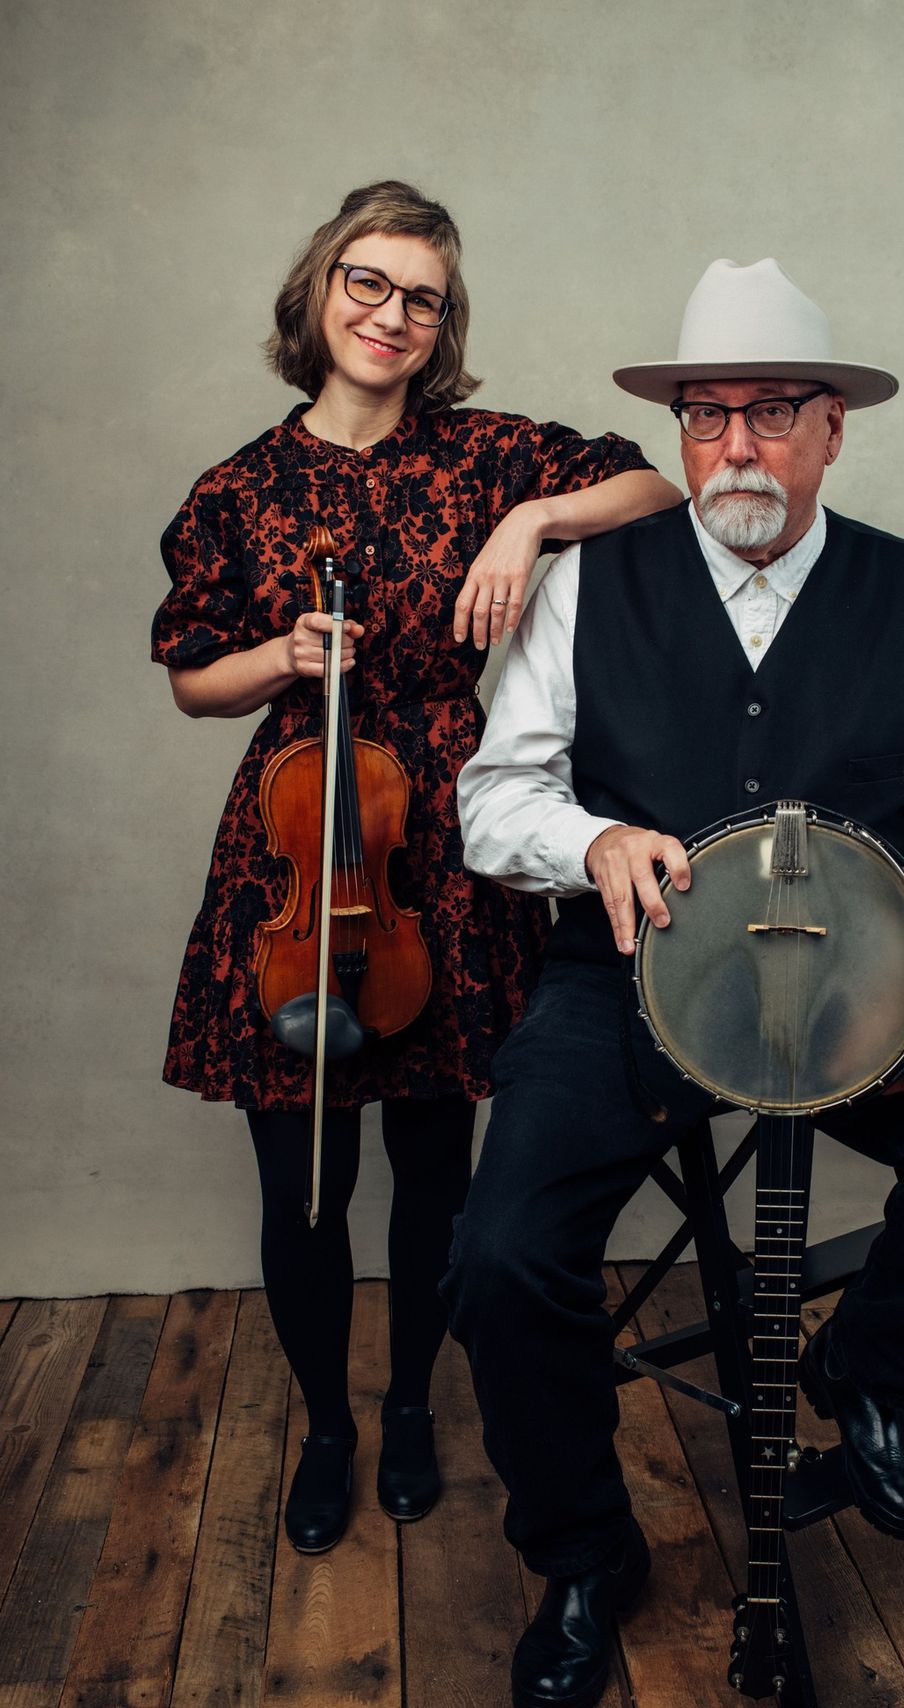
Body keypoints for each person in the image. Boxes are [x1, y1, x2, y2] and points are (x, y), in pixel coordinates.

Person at [448, 257, 904, 1708]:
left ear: (832, 430)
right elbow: (497, 804)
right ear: (678, 431)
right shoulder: (594, 581)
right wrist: (591, 837)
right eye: (706, 415)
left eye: (772, 414)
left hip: (854, 993)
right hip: (624, 985)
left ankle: (863, 1372)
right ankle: (583, 1556)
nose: (735, 445)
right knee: (502, 1259)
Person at [151, 179, 679, 1557]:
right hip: (298, 838)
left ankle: (408, 1413)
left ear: (443, 326)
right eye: (368, 286)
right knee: (299, 1182)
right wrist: (280, 658)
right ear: (320, 294)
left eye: (422, 299)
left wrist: (530, 524)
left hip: (443, 844)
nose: (392, 315)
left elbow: (651, 483)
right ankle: (326, 1423)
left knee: (439, 1169)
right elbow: (192, 675)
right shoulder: (239, 489)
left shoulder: (488, 454)